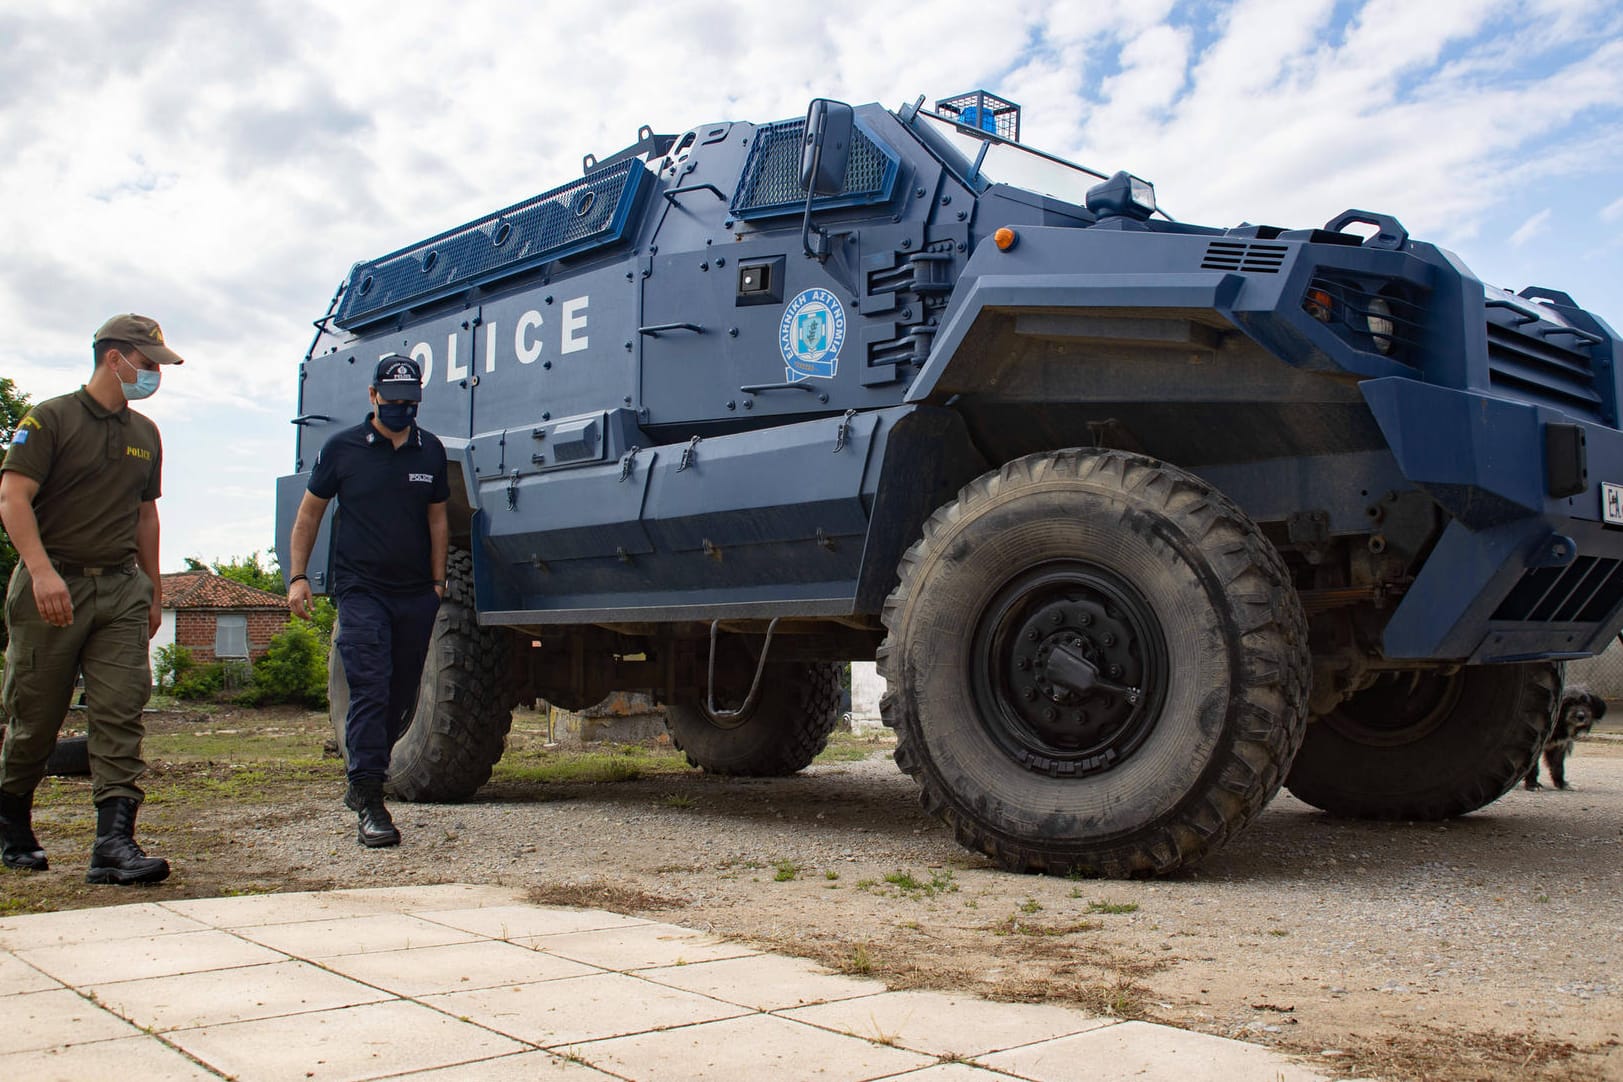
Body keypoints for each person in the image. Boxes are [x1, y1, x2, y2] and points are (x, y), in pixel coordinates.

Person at [0, 314, 185, 883]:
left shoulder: (145, 433)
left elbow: (144, 513)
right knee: (35, 717)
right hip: (52, 584)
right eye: (149, 362)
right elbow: (12, 496)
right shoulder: (50, 419)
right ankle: (12, 825)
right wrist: (40, 572)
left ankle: (113, 845)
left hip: (121, 589)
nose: (155, 372)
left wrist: (151, 588)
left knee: (120, 712)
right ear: (115, 358)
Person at [286, 355, 447, 848]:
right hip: (360, 591)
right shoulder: (342, 449)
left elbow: (438, 519)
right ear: (374, 395)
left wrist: (438, 585)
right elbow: (309, 515)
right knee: (371, 687)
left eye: (410, 401)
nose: (402, 409)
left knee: (400, 698)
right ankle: (369, 797)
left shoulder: (431, 452)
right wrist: (297, 577)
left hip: (414, 594)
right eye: (394, 400)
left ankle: (364, 782)